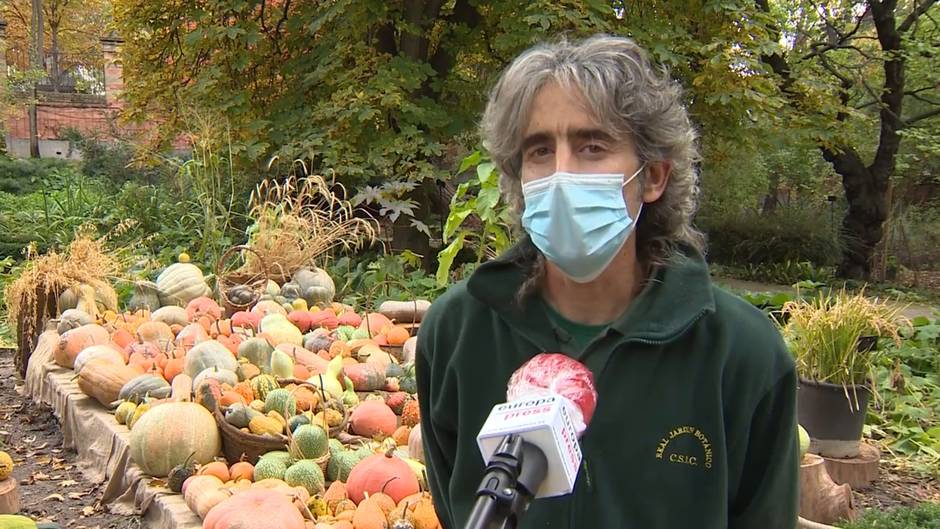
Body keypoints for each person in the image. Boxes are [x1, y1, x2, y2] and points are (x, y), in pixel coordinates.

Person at [416, 34, 799, 529]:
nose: (561, 174)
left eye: (592, 146)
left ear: (654, 177)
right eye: (539, 150)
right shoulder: (458, 335)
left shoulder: (741, 354)